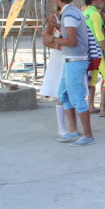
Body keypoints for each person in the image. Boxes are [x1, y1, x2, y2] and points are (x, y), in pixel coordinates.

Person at [42, 0, 95, 147]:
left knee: (77, 98)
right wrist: (58, 25)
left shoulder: (69, 14)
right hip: (72, 60)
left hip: (75, 60)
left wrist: (51, 38)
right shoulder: (72, 12)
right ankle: (74, 131)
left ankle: (88, 135)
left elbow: (71, 41)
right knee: (64, 95)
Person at [83, 0, 105, 117]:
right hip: (97, 51)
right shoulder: (95, 14)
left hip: (87, 51)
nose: (100, 1)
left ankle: (91, 106)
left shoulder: (84, 13)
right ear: (93, 0)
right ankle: (104, 109)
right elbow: (99, 34)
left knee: (92, 80)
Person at [40, 7, 67, 136]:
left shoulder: (72, 17)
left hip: (72, 56)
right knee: (61, 92)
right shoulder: (53, 20)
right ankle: (61, 128)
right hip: (59, 56)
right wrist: (58, 46)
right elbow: (46, 40)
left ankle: (72, 126)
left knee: (73, 93)